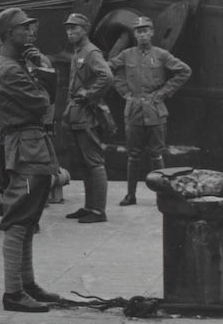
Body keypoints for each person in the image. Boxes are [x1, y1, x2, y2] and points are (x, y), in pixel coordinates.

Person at [0, 7, 60, 313]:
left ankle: (26, 284)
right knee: (20, 218)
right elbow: (44, 101)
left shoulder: (17, 65)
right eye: (24, 29)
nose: (30, 33)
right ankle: (13, 292)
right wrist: (42, 67)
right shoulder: (9, 69)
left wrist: (39, 67)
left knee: (29, 218)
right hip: (26, 149)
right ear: (9, 34)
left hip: (32, 145)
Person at [110, 16, 192, 205]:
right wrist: (124, 91)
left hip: (155, 110)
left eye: (145, 30)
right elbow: (108, 69)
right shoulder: (127, 54)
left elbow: (184, 71)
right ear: (135, 34)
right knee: (133, 156)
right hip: (134, 110)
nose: (142, 34)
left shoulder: (161, 54)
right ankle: (130, 195)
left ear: (152, 32)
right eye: (138, 31)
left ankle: (162, 195)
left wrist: (164, 93)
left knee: (157, 155)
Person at [61, 13, 113, 224]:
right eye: (68, 28)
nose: (70, 32)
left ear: (85, 29)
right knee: (84, 163)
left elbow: (107, 76)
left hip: (86, 114)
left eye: (75, 28)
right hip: (76, 113)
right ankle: (90, 206)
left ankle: (99, 211)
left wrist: (89, 93)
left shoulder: (90, 52)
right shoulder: (79, 52)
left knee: (94, 162)